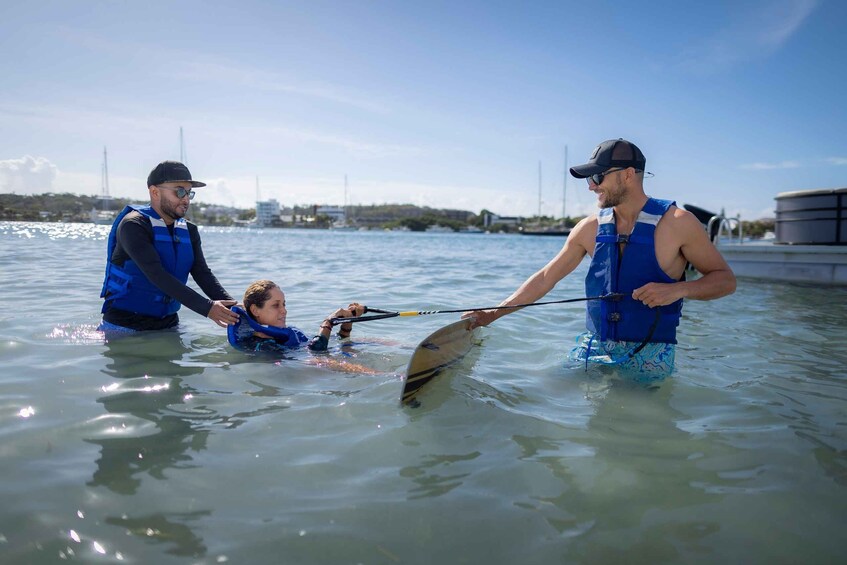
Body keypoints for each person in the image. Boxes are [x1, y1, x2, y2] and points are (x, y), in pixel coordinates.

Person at [464, 138, 736, 375]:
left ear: (628, 174)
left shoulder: (679, 223)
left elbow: (725, 280)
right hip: (592, 346)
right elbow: (546, 277)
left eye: (597, 177)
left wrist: (679, 289)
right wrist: (492, 314)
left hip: (651, 354)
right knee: (549, 390)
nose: (591, 187)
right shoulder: (588, 227)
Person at [99, 160, 238, 332]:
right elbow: (156, 274)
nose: (186, 199)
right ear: (155, 192)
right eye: (179, 191)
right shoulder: (133, 225)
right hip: (124, 327)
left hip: (169, 325)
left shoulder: (189, 230)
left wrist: (236, 310)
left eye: (189, 193)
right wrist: (208, 308)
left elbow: (202, 273)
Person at [229, 279, 364, 354]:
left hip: (320, 356)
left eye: (284, 304)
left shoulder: (289, 334)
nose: (284, 311)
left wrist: (348, 320)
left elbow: (339, 340)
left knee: (372, 341)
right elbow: (317, 354)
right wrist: (328, 322)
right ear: (255, 310)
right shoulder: (262, 347)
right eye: (276, 306)